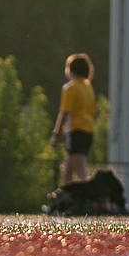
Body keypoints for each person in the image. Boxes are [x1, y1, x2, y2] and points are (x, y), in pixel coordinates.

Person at [52, 54, 98, 186]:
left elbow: (65, 112)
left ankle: (92, 194)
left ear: (71, 70)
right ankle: (67, 196)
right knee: (68, 172)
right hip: (88, 132)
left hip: (76, 131)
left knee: (81, 172)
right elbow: (92, 112)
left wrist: (56, 134)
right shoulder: (88, 88)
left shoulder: (70, 88)